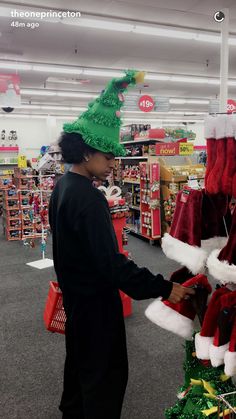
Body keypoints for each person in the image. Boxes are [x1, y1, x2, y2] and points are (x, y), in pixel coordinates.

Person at [49, 71, 194, 419]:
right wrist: (164, 287)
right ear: (86, 153)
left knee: (79, 370)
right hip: (97, 305)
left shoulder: (63, 188)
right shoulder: (88, 198)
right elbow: (111, 264)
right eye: (108, 156)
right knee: (106, 378)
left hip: (77, 298)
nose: (114, 162)